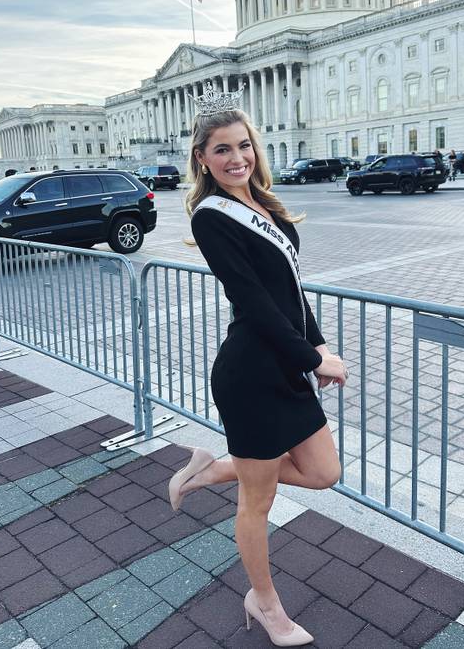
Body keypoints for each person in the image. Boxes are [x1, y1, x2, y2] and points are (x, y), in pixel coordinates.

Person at [168, 84, 347, 647]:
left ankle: (212, 469)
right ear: (202, 157)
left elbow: (290, 291)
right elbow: (254, 301)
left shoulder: (263, 204)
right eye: (222, 149)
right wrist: (309, 357)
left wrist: (319, 349)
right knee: (258, 502)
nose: (236, 158)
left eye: (243, 145)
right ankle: (265, 604)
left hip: (284, 366)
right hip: (249, 376)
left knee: (324, 473)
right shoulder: (210, 218)